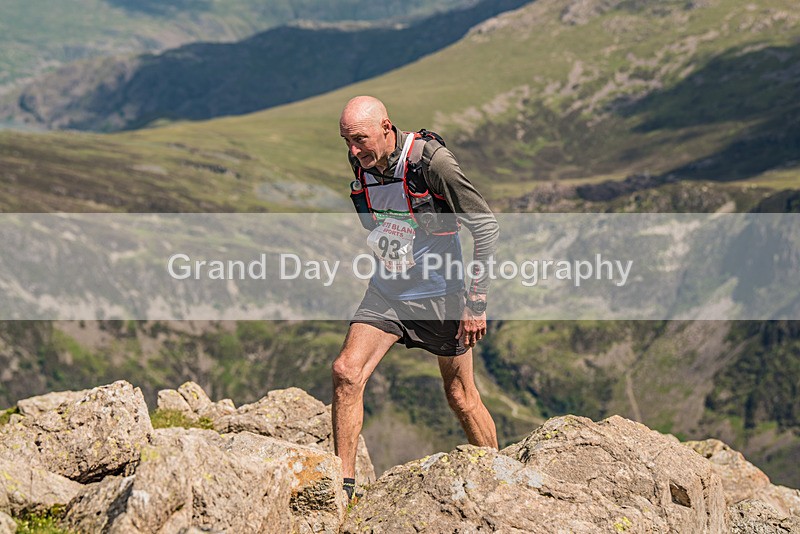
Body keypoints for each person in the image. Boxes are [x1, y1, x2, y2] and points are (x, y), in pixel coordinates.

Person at [333, 95, 499, 500]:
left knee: (460, 395)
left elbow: (486, 228)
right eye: (346, 141)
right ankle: (342, 490)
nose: (354, 151)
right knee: (346, 372)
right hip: (388, 292)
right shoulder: (363, 162)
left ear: (386, 128)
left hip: (441, 295)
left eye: (361, 139)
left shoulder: (432, 163)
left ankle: (500, 478)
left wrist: (475, 303)